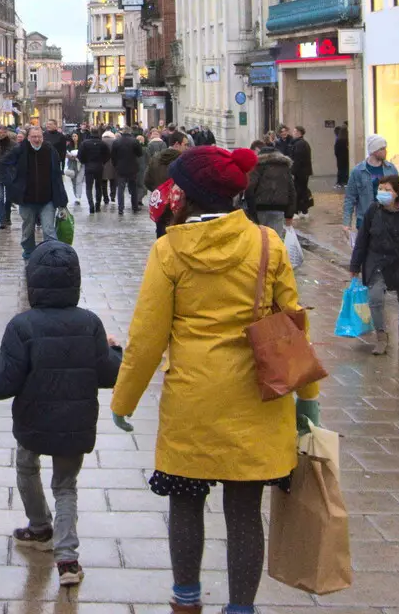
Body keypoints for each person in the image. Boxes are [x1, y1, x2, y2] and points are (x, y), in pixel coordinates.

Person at [111, 145, 320, 614]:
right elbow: (293, 323)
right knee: (245, 512)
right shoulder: (268, 243)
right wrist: (308, 397)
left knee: (185, 503)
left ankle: (186, 598)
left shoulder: (170, 250)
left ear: (193, 196)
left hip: (194, 400)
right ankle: (241, 607)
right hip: (259, 402)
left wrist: (123, 401)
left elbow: (147, 337)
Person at [0, 241, 123, 588]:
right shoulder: (90, 324)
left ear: (33, 282)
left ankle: (39, 525)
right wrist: (115, 350)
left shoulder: (22, 326)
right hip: (75, 425)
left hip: (32, 422)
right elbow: (108, 375)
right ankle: (68, 559)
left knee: (27, 467)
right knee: (65, 487)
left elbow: (3, 383)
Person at [349, 173, 399, 355]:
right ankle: (381, 337)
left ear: (396, 194)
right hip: (376, 261)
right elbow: (362, 240)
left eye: (387, 190)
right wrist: (354, 266)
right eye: (380, 189)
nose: (382, 193)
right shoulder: (373, 211)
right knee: (375, 298)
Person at [2, 124, 70, 261]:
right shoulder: (20, 150)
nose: (37, 139)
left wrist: (62, 200)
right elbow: (3, 164)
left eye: (39, 137)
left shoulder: (50, 150)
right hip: (27, 199)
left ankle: (53, 254)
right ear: (28, 138)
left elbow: (57, 176)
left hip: (47, 199)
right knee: (28, 230)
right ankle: (29, 252)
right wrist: (12, 183)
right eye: (33, 137)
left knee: (49, 229)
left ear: (43, 137)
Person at [343, 133, 398, 241]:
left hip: (389, 219)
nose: (385, 151)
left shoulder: (391, 169)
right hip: (365, 220)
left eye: (385, 148)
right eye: (382, 149)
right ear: (374, 151)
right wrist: (346, 223)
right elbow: (350, 198)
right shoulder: (358, 171)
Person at [243, 141, 296, 239]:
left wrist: (251, 211)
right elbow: (292, 191)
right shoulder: (284, 167)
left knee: (259, 240)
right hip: (279, 208)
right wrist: (289, 214)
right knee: (275, 240)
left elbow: (249, 188)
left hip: (259, 208)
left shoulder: (258, 166)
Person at [77, 129, 109, 213]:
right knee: (98, 186)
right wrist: (103, 162)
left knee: (89, 187)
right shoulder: (102, 143)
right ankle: (97, 205)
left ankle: (91, 204)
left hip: (89, 167)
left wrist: (85, 162)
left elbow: (79, 155)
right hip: (99, 167)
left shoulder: (85, 143)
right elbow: (108, 155)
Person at [111, 130, 143, 214]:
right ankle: (135, 207)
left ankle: (120, 208)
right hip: (132, 168)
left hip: (120, 168)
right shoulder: (134, 141)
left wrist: (116, 165)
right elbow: (140, 153)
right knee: (133, 189)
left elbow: (113, 156)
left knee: (120, 189)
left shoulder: (116, 142)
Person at [289, 125, 314, 217]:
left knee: (298, 191)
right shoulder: (302, 143)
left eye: (294, 131)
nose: (293, 133)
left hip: (300, 172)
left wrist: (292, 172)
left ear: (299, 133)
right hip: (303, 172)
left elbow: (297, 160)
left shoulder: (299, 144)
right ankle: (304, 211)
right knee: (303, 190)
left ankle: (297, 211)